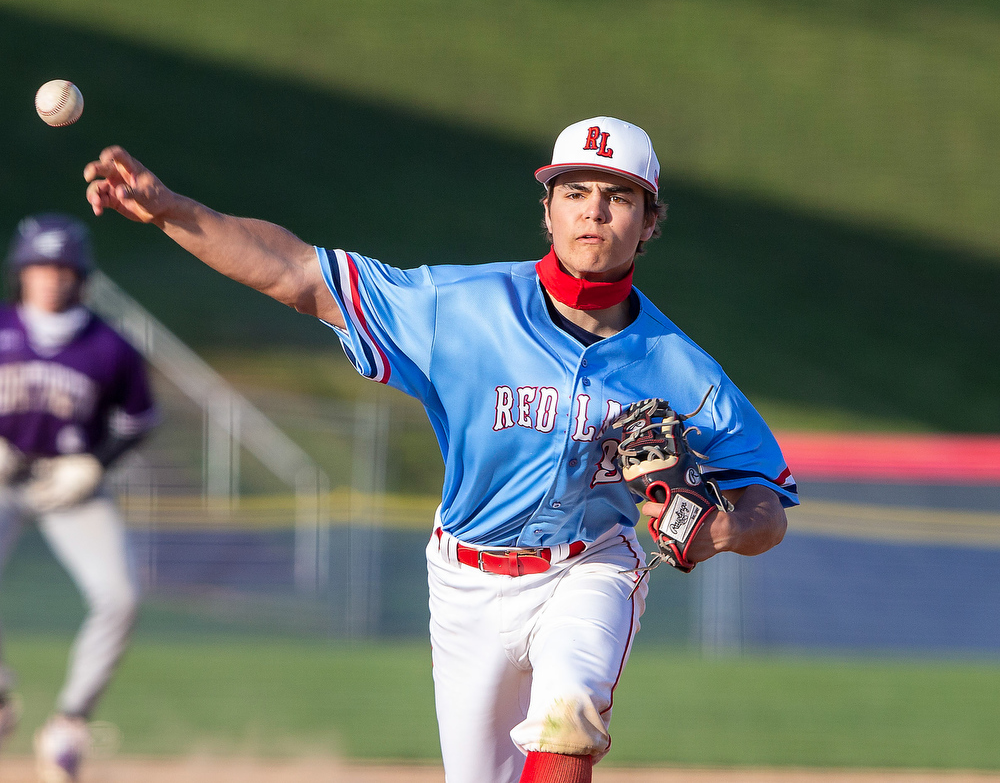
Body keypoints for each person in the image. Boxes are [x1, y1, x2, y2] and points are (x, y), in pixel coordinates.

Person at [83, 116, 798, 783]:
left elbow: (767, 503)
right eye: (574, 192)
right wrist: (175, 210)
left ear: (648, 224)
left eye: (619, 198)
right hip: (466, 583)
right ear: (547, 210)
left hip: (591, 564)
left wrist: (720, 531)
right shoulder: (459, 309)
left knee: (569, 713)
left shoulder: (683, 369)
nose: (594, 211)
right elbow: (298, 274)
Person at [0, 213, 158, 783]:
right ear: (21, 273)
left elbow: (140, 419)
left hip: (71, 486)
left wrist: (95, 463)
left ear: (80, 277)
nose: (50, 278)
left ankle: (68, 725)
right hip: (1, 480)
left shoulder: (107, 346)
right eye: (39, 266)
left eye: (62, 268)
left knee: (120, 598)